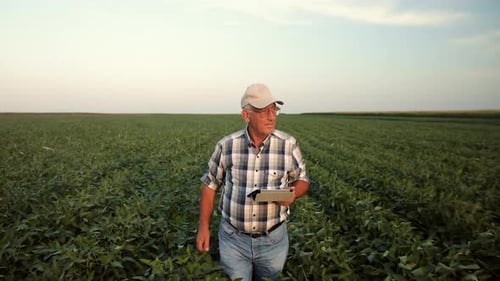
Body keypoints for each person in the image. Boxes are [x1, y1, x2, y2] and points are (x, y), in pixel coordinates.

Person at [196, 83, 310, 281]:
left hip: (273, 241)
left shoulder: (288, 145)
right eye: (264, 111)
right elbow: (210, 184)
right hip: (233, 241)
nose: (271, 116)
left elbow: (302, 179)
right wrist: (203, 227)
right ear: (246, 115)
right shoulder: (227, 145)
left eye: (274, 109)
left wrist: (293, 193)